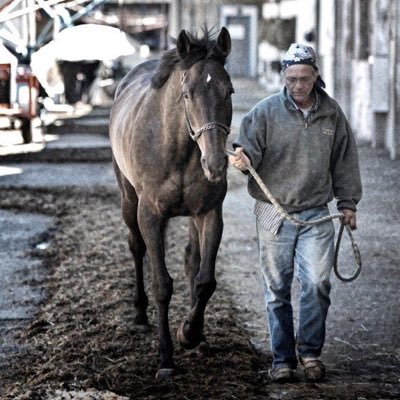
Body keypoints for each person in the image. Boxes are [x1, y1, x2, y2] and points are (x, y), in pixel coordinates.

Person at [229, 43, 362, 383]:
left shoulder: (332, 114)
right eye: (291, 79)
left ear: (316, 77)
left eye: (304, 79)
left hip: (316, 213)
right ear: (283, 77)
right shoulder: (264, 112)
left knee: (317, 284)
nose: (298, 86)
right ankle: (282, 359)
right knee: (277, 288)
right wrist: (244, 162)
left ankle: (311, 353)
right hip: (274, 211)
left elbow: (344, 160)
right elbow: (249, 153)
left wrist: (347, 203)